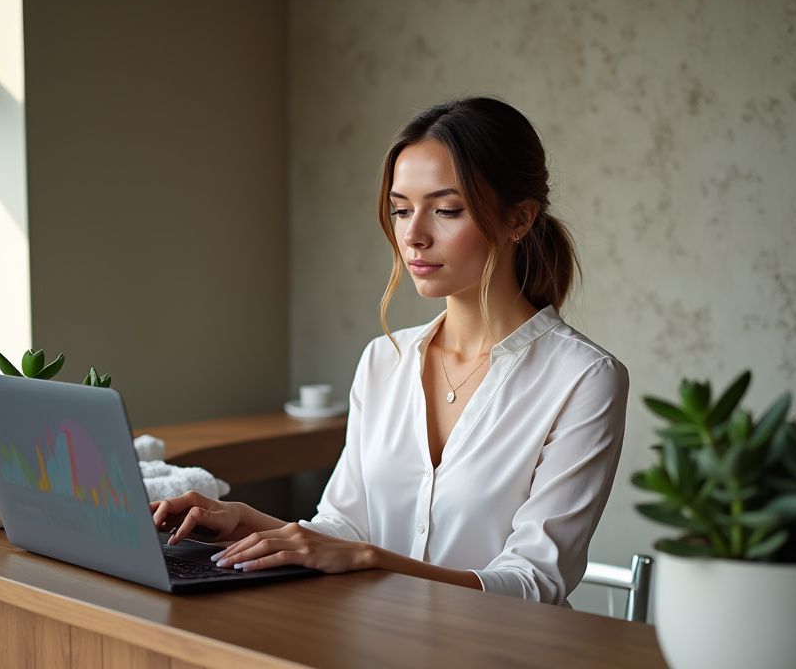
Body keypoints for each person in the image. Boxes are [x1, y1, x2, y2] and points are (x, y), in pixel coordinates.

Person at [153, 97, 629, 603]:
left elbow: (535, 582)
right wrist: (248, 522)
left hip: (501, 666)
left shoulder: (584, 377)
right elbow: (345, 529)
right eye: (401, 210)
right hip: (371, 647)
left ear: (520, 220)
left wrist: (370, 559)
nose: (413, 235)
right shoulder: (384, 361)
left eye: (446, 210)